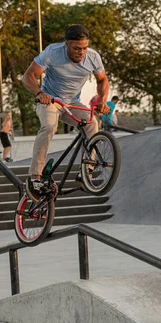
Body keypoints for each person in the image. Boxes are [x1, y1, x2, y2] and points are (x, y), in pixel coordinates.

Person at [21, 24, 110, 201]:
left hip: (73, 103)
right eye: (77, 48)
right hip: (50, 101)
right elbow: (28, 76)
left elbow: (102, 80)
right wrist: (40, 93)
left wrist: (103, 100)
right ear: (66, 44)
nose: (81, 53)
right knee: (49, 127)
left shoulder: (93, 57)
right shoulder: (52, 52)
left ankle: (86, 170)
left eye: (84, 48)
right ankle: (35, 177)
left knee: (92, 124)